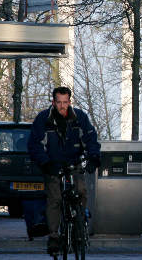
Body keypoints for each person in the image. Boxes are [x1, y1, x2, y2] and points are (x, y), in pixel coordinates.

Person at [28, 87, 101, 254]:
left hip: (73, 163)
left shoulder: (79, 118)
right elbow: (34, 145)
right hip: (53, 165)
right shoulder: (43, 119)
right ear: (53, 102)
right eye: (59, 102)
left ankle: (80, 223)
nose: (62, 106)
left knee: (81, 191)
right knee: (55, 198)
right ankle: (54, 236)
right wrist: (45, 163)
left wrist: (94, 157)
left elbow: (91, 139)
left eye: (65, 102)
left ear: (69, 102)